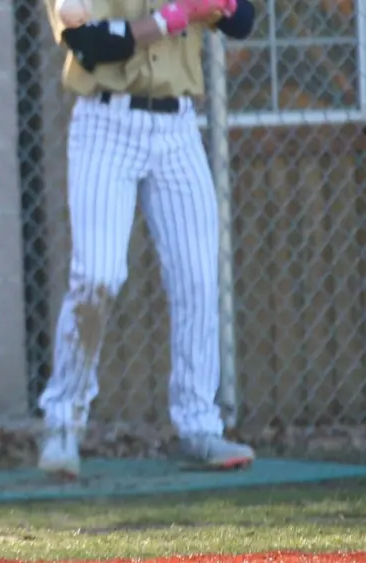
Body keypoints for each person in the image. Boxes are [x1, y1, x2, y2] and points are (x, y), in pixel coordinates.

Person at [36, 0, 258, 478]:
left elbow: (243, 22)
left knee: (198, 277)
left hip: (178, 128)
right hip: (104, 125)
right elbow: (88, 44)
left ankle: (199, 424)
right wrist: (172, 19)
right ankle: (63, 422)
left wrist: (221, 4)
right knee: (97, 275)